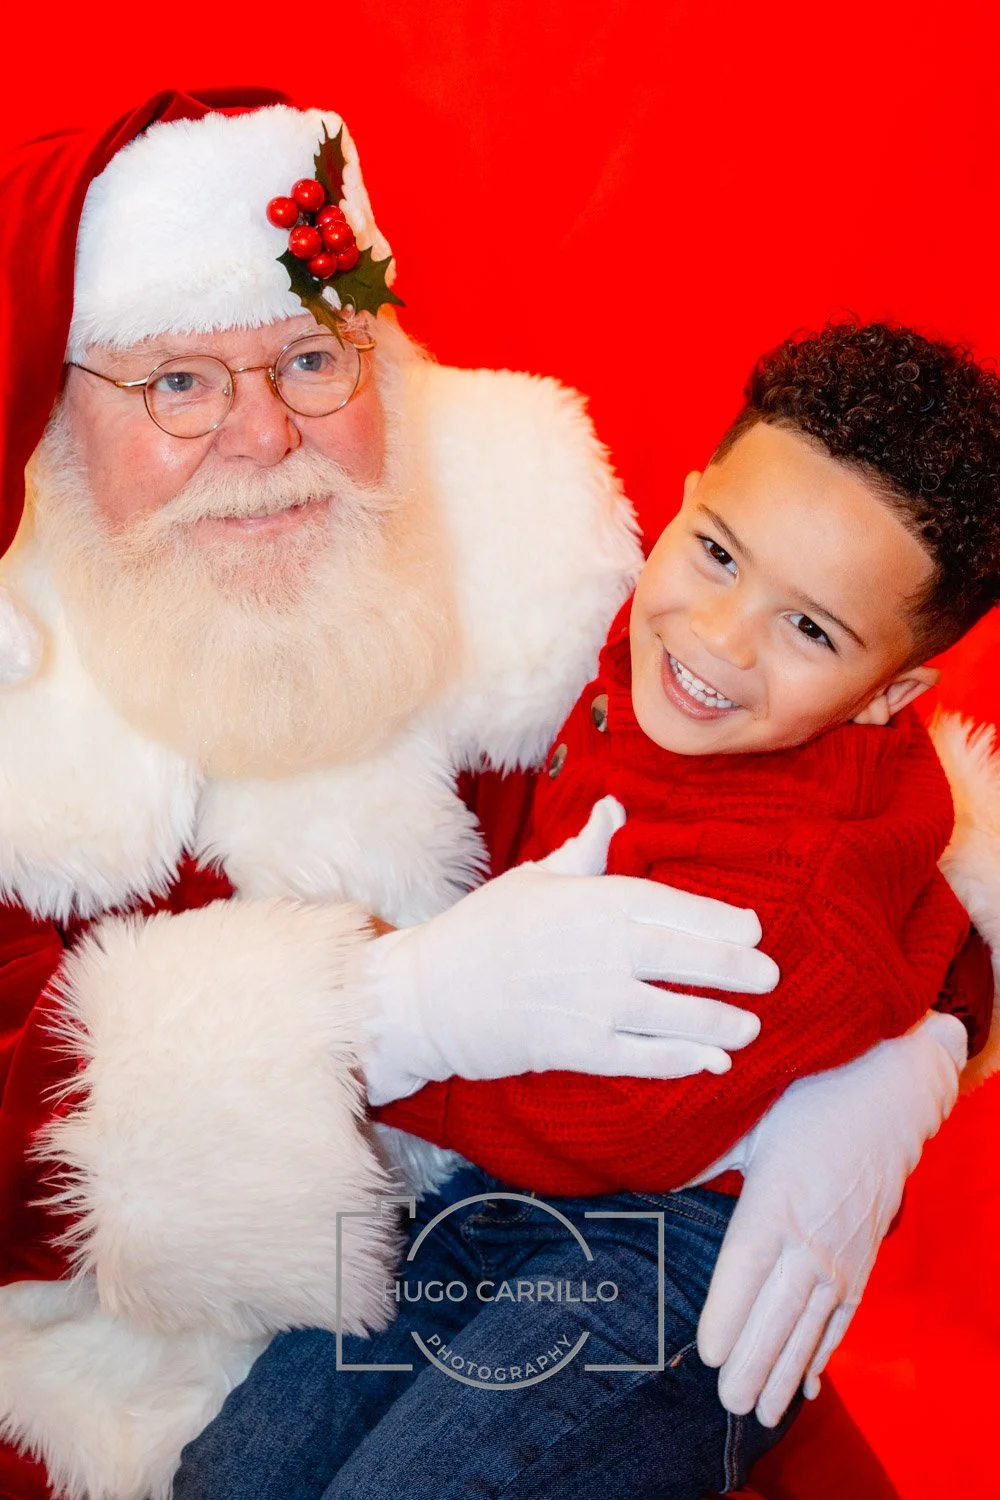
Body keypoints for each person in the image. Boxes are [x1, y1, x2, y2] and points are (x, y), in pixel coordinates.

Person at [0, 89, 992, 1500]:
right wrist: (374, 1026)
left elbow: (883, 825)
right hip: (127, 1333)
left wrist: (902, 1062)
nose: (266, 435)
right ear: (65, 396)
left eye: (308, 358)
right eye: (178, 383)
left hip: (608, 1235)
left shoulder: (526, 538)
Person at [171, 324, 998, 1500]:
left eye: (808, 629)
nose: (717, 640)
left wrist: (363, 1034)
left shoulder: (794, 896)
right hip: (497, 1189)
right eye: (717, 554)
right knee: (228, 1477)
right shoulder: (642, 648)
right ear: (688, 497)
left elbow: (615, 1128)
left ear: (893, 692)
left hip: (672, 1245)